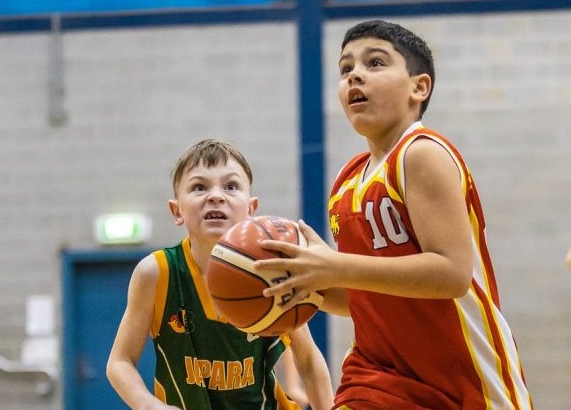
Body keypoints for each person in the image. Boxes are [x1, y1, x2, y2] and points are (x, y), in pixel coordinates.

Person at [256, 20, 533, 409]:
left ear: (419, 88)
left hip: (462, 380)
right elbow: (367, 298)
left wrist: (333, 266)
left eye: (375, 63)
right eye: (346, 68)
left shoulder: (422, 153)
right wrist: (306, 287)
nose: (355, 75)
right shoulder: (347, 180)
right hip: (377, 378)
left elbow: (452, 273)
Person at [106, 138, 333, 410]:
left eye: (231, 186)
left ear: (251, 209)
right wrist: (148, 405)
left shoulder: (272, 268)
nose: (216, 196)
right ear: (177, 211)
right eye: (199, 187)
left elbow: (308, 360)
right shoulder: (156, 273)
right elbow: (119, 362)